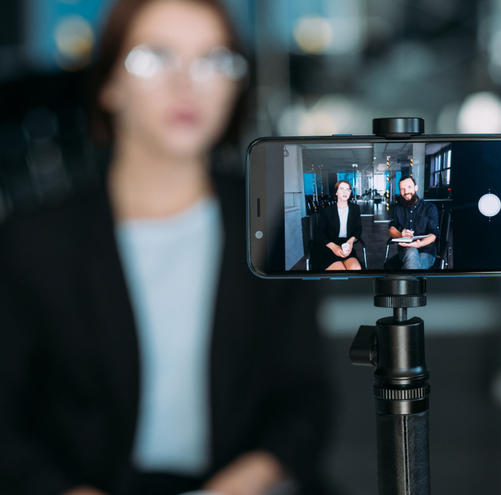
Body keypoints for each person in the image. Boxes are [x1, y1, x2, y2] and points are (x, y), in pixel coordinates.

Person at [0, 1, 331, 494]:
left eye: (214, 60)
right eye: (155, 57)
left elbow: (306, 401)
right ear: (110, 83)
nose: (188, 83)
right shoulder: (33, 241)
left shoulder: (278, 223)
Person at [388, 176, 439, 270]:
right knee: (411, 253)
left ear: (416, 188)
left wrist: (419, 244)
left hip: (426, 250)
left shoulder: (430, 208)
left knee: (412, 265)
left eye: (409, 187)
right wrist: (400, 234)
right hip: (406, 249)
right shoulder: (398, 209)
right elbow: (391, 229)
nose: (406, 192)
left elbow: (433, 235)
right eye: (402, 189)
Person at [314, 179, 363, 270]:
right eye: (341, 189)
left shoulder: (355, 208)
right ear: (336, 192)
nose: (345, 192)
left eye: (348, 189)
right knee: (340, 271)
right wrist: (333, 247)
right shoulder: (327, 211)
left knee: (356, 268)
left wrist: (351, 241)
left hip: (346, 246)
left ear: (350, 192)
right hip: (329, 246)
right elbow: (319, 233)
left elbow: (358, 229)